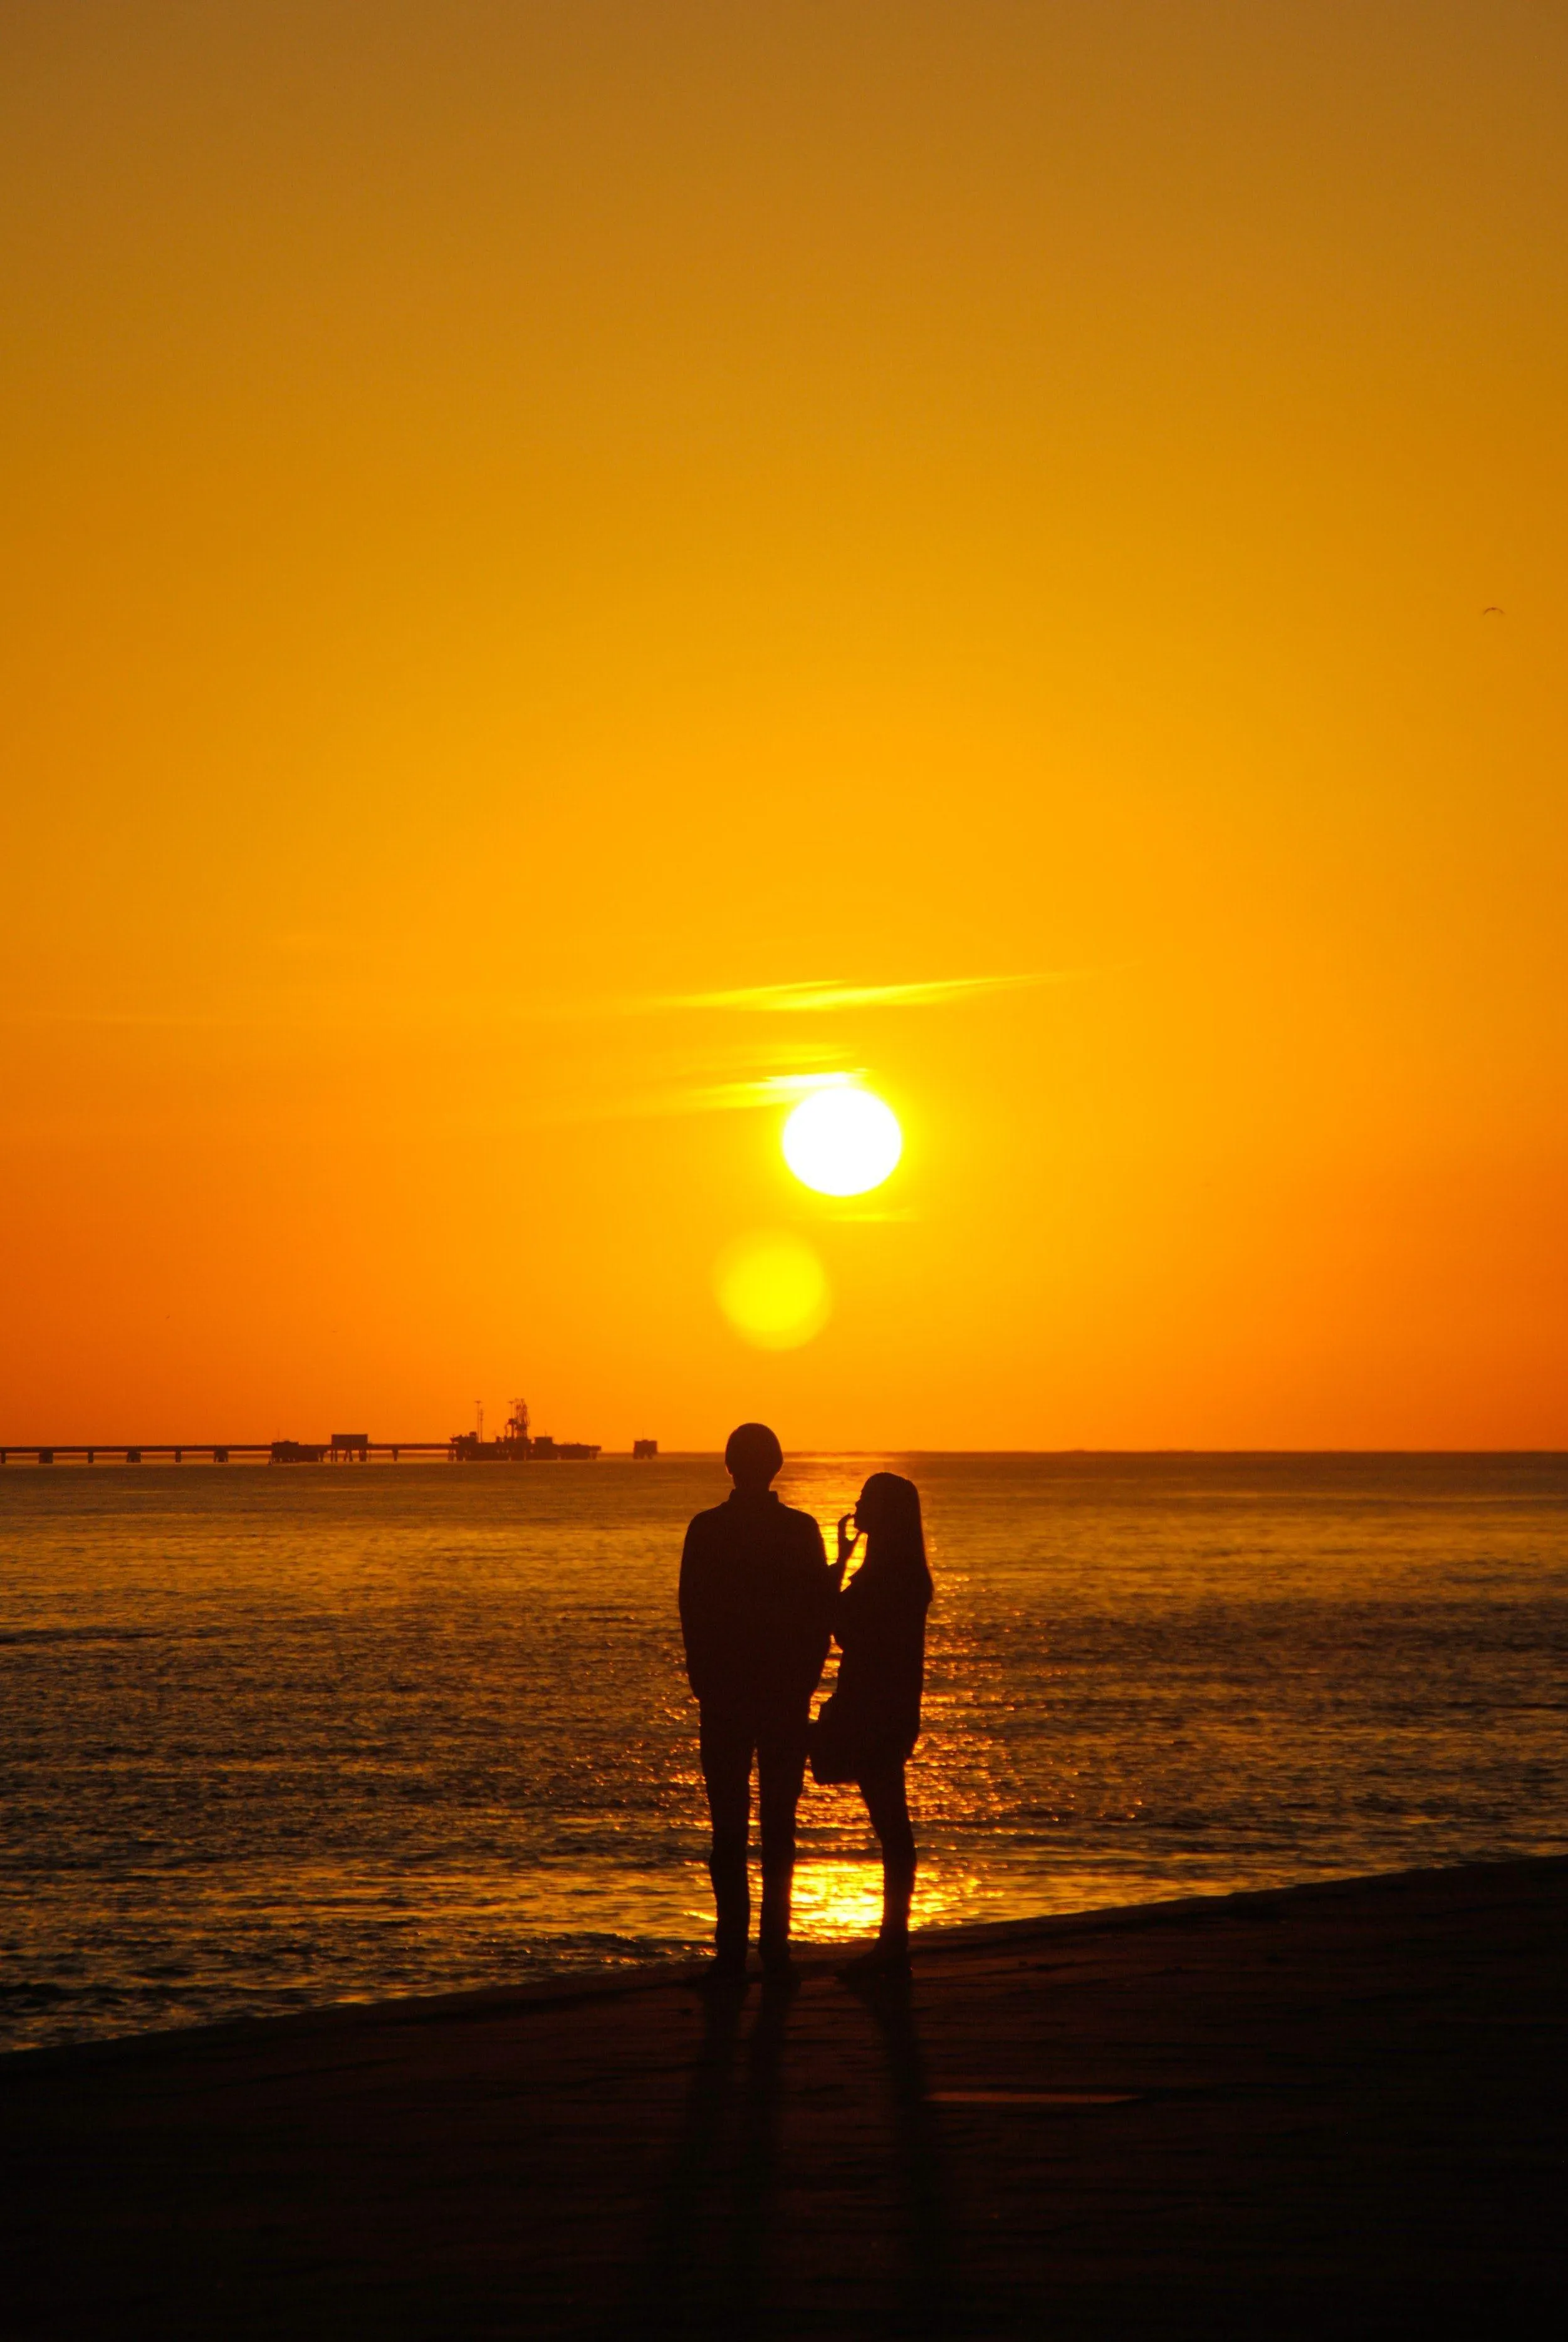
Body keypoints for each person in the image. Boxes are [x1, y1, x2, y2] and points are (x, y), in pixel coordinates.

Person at [679, 1423, 833, 1982]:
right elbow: (817, 1617)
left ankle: (730, 1943)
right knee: (778, 1827)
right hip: (778, 1695)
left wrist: (707, 1683)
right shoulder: (799, 1530)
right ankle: (774, 1940)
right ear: (777, 1465)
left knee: (728, 1828)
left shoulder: (707, 1529)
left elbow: (692, 1612)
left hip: (729, 1695)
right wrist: (802, 1683)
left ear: (728, 1464)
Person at [827, 1472, 932, 1979]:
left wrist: (841, 1559)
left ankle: (893, 1944)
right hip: (888, 1703)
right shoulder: (901, 1570)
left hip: (877, 1705)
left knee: (891, 1822)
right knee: (891, 1820)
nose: (857, 1504)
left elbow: (840, 1622)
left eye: (867, 1499)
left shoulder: (890, 1575)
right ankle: (894, 1940)